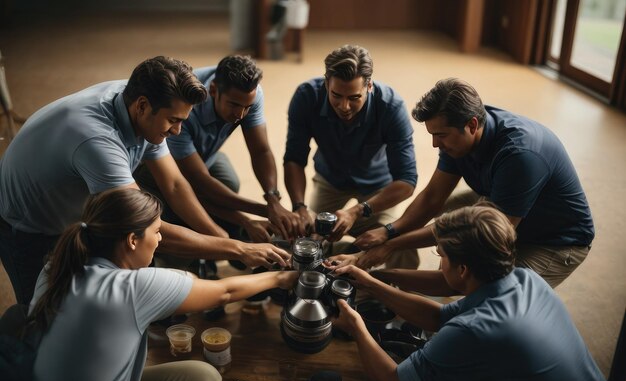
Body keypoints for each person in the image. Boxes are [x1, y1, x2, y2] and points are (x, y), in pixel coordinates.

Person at [0, 56, 289, 305]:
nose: (178, 131)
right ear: (142, 107)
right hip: (26, 228)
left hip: (72, 211)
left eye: (182, 121)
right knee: (40, 312)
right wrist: (238, 248)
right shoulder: (98, 142)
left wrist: (223, 239)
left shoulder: (142, 107)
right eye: (173, 121)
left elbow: (175, 186)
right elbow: (144, 225)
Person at [26, 188, 298, 381]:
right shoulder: (132, 288)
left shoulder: (56, 267)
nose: (159, 240)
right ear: (132, 240)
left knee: (202, 379)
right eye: (157, 231)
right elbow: (224, 291)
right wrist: (281, 278)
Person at [332, 205, 614, 381]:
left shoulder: (477, 330)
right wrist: (373, 282)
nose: (440, 264)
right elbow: (437, 317)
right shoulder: (524, 279)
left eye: (441, 257)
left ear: (463, 269)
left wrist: (357, 326)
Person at [355, 78, 594, 287]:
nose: (435, 145)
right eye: (432, 135)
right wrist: (389, 232)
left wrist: (391, 247)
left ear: (471, 125)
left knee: (491, 292)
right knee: (450, 231)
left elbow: (487, 234)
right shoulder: (461, 132)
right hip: (501, 201)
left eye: (440, 135)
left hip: (555, 241)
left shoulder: (520, 155)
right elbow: (432, 198)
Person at [135, 55, 301, 243]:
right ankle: (209, 250)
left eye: (247, 107)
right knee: (179, 211)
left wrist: (273, 200)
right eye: (234, 105)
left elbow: (261, 151)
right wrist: (264, 211)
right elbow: (198, 182)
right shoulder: (183, 110)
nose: (240, 114)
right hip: (162, 164)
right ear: (213, 90)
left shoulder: (249, 94)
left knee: (229, 183)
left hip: (206, 154)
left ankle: (238, 236)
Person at [283, 44, 418, 269]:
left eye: (354, 97)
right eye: (336, 95)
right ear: (326, 84)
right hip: (329, 179)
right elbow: (294, 158)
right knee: (305, 240)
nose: (344, 106)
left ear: (369, 86)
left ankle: (396, 299)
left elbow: (407, 182)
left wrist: (358, 211)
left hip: (377, 187)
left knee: (400, 245)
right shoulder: (306, 96)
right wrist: (299, 207)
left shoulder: (392, 107)